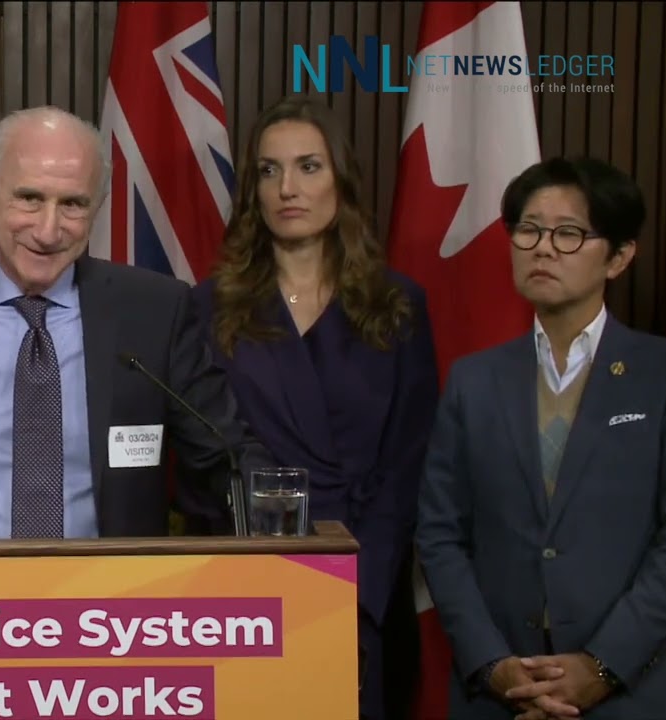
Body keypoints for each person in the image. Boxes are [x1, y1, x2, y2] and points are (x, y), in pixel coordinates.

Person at [0, 106, 268, 540]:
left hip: (115, 587)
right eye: (29, 198)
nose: (48, 231)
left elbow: (227, 459)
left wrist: (283, 526)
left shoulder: (154, 311)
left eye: (72, 204)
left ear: (97, 207)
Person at [416, 156, 666, 720]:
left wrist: (601, 666)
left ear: (619, 256)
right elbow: (440, 534)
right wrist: (492, 664)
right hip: (501, 692)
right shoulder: (474, 380)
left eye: (568, 233)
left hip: (634, 690)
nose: (543, 248)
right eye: (529, 230)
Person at [191, 96, 440, 720]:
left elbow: (409, 464)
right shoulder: (208, 307)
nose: (287, 188)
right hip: (245, 584)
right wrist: (260, 570)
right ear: (252, 191)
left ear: (341, 180)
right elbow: (198, 455)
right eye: (269, 171)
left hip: (364, 586)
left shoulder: (397, 304)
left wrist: (353, 590)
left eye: (308, 166)